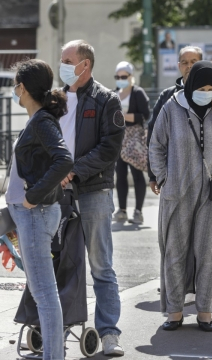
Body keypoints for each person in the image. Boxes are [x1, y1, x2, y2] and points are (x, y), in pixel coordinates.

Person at [149, 61, 212, 332]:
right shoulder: (171, 107)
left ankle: (205, 312)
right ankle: (174, 312)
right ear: (190, 86)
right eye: (200, 87)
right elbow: (156, 145)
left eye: (210, 88)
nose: (205, 92)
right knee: (175, 252)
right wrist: (163, 176)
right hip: (177, 192)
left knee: (208, 252)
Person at [58, 40, 125, 356]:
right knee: (62, 264)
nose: (63, 65)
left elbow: (110, 148)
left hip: (94, 191)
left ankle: (109, 333)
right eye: (62, 60)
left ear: (85, 64)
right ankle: (57, 327)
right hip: (59, 195)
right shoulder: (55, 99)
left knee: (101, 266)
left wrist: (74, 171)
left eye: (68, 60)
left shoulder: (106, 100)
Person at [8, 60, 73, 360]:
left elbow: (64, 160)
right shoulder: (40, 119)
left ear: (23, 87)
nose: (14, 91)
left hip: (36, 215)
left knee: (45, 295)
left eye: (16, 85)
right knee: (44, 293)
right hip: (32, 215)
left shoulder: (42, 121)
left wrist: (32, 197)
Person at [148, 46, 203, 195]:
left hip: (208, 180)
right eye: (184, 62)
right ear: (179, 66)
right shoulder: (167, 96)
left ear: (201, 64)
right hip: (175, 179)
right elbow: (154, 138)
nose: (189, 66)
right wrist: (155, 175)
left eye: (194, 61)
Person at [112, 61, 150, 224]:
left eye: (124, 76)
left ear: (130, 77)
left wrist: (123, 115)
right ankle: (122, 210)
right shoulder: (115, 93)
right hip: (119, 138)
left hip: (134, 139)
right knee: (120, 175)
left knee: (137, 174)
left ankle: (138, 211)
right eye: (118, 76)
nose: (120, 79)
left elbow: (145, 115)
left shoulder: (138, 93)